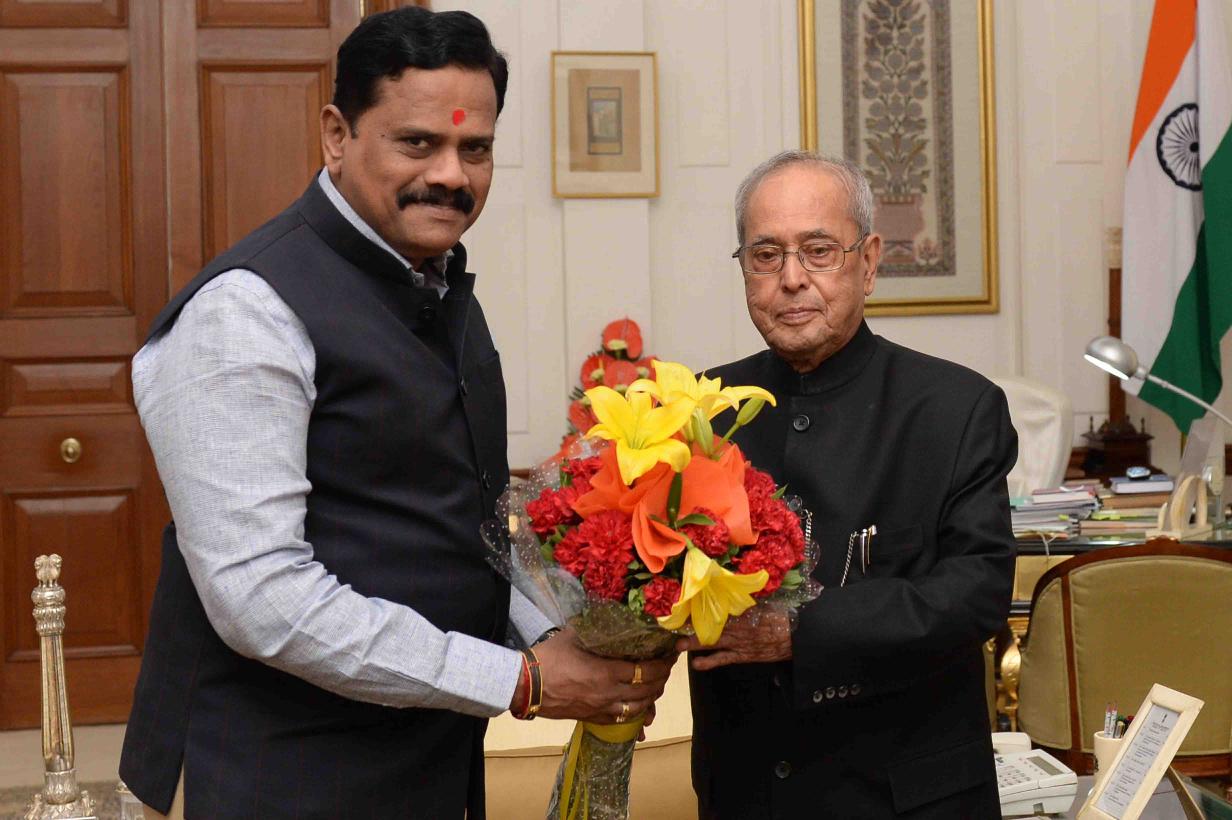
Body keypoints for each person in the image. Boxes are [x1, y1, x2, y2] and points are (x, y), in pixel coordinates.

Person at [119, 8, 670, 818]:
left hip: (425, 754)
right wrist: (519, 680)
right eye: (418, 142)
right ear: (336, 136)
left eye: (475, 148)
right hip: (284, 770)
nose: (451, 174)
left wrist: (550, 637)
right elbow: (261, 599)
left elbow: (454, 528)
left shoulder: (433, 282)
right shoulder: (247, 312)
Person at [679, 151, 1017, 818]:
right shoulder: (701, 410)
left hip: (909, 801)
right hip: (745, 796)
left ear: (868, 262)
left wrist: (799, 631)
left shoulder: (956, 407)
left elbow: (975, 592)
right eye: (766, 255)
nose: (791, 279)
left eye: (819, 251)